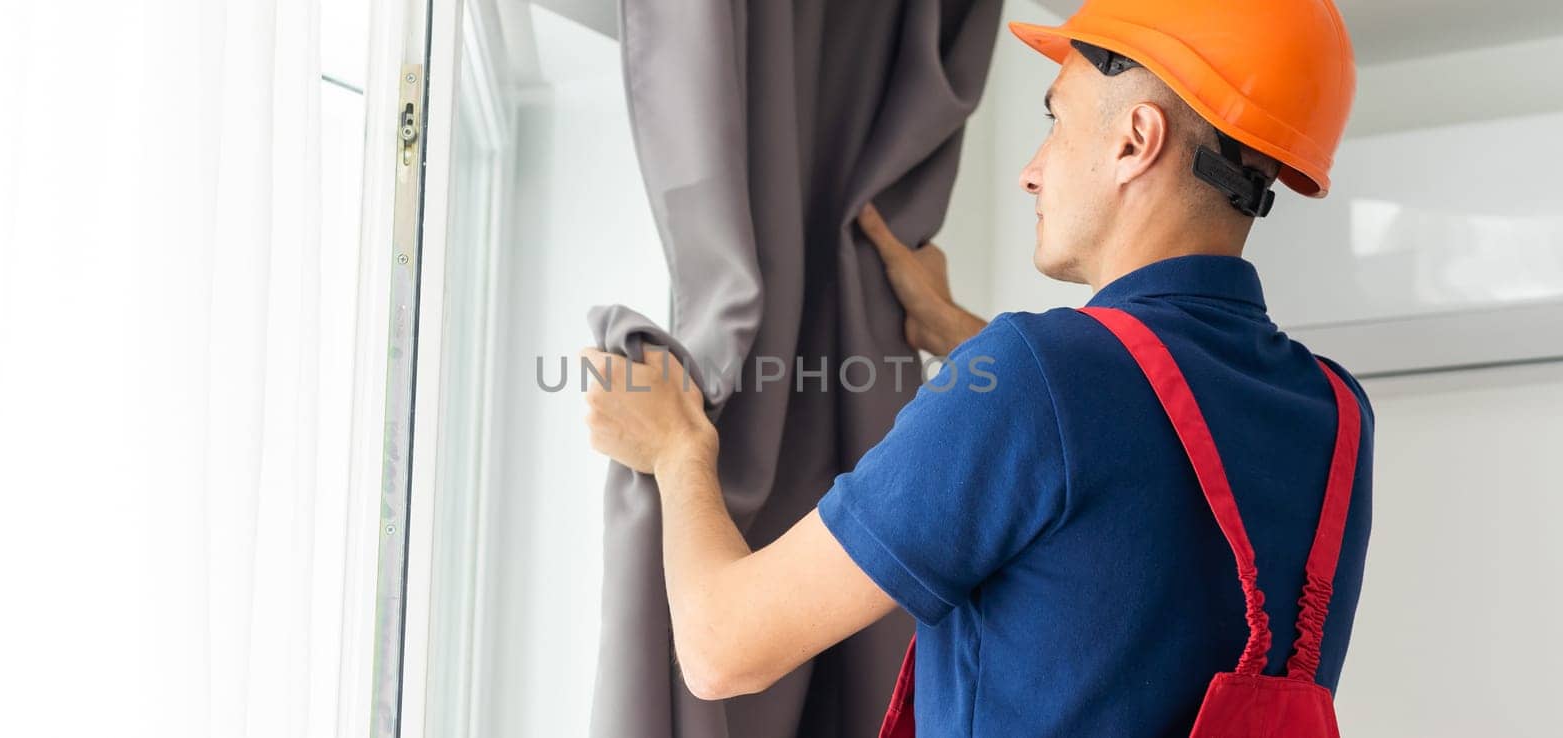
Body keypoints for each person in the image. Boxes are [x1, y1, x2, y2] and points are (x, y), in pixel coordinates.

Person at [579, 0, 1374, 734]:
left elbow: (723, 649)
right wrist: (958, 330)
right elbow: (1126, 481)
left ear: (1136, 140)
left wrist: (678, 450)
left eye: (1055, 122)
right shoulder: (1335, 414)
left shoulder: (1040, 376)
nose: (1032, 170)